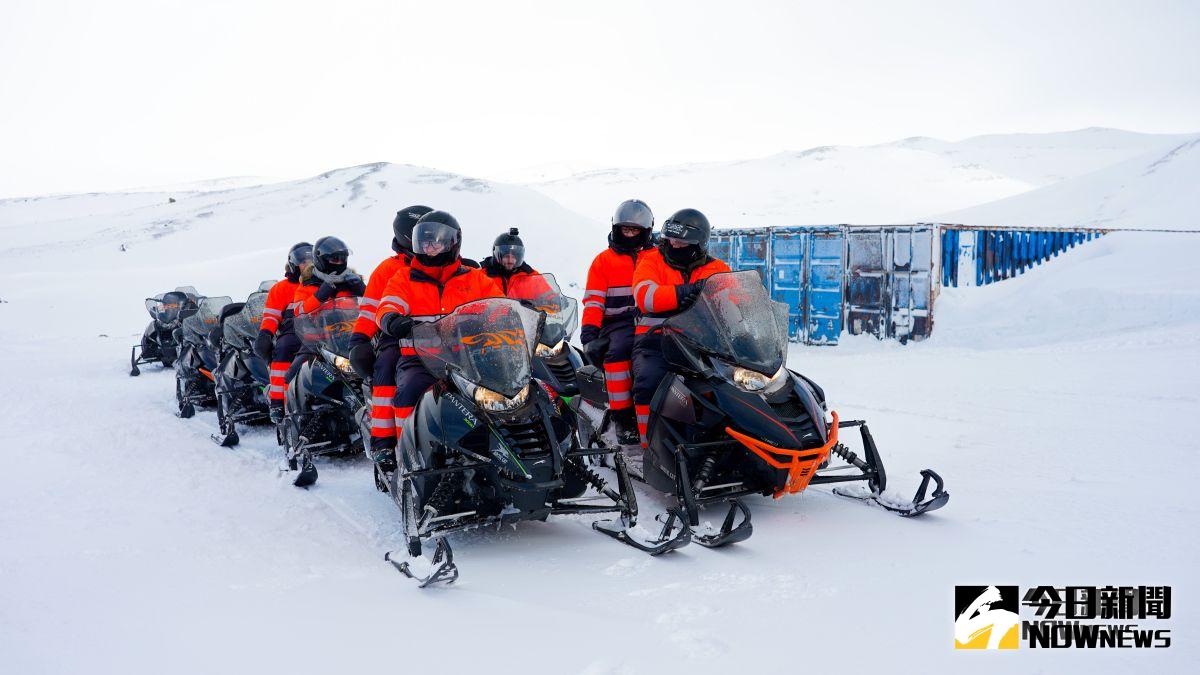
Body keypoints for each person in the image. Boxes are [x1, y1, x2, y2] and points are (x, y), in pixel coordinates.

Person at [375, 211, 503, 468]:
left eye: (435, 242)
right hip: (420, 359)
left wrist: (509, 315)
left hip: (467, 359)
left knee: (501, 394)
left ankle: (497, 450)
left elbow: (498, 305)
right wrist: (392, 319)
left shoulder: (474, 278)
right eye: (424, 242)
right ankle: (407, 453)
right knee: (408, 391)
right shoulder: (404, 278)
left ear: (452, 243)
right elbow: (388, 304)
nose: (429, 247)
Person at [631, 208, 730, 446]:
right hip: (656, 342)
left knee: (732, 386)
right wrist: (684, 292)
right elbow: (645, 296)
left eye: (680, 242)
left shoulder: (717, 268)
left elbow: (735, 301)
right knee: (648, 381)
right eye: (670, 239)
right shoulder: (651, 260)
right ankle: (649, 444)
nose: (672, 245)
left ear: (699, 244)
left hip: (704, 343)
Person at [348, 205, 432, 455]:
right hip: (398, 337)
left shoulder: (449, 265)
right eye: (425, 235)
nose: (431, 242)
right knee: (386, 367)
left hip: (443, 337)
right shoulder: (388, 270)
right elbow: (370, 311)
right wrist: (359, 339)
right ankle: (385, 440)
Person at [580, 199, 654, 445]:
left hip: (653, 318)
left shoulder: (656, 256)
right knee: (620, 352)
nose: (630, 234)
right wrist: (589, 334)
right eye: (626, 229)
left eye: (636, 230)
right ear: (616, 228)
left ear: (646, 232)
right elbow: (593, 302)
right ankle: (623, 419)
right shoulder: (604, 261)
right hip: (617, 321)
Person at [286, 236, 366, 378]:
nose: (340, 262)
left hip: (352, 336)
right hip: (318, 341)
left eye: (343, 258)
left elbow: (371, 308)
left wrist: (362, 289)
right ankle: (283, 399)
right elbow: (299, 312)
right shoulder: (308, 284)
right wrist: (320, 294)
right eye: (335, 259)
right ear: (321, 260)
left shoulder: (352, 281)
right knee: (292, 374)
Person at [254, 242, 312, 422]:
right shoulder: (281, 288)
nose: (308, 264)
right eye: (303, 261)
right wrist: (265, 334)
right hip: (293, 332)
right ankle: (279, 403)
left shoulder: (320, 283)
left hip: (321, 332)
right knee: (283, 349)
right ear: (294, 265)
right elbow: (271, 316)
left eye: (311, 260)